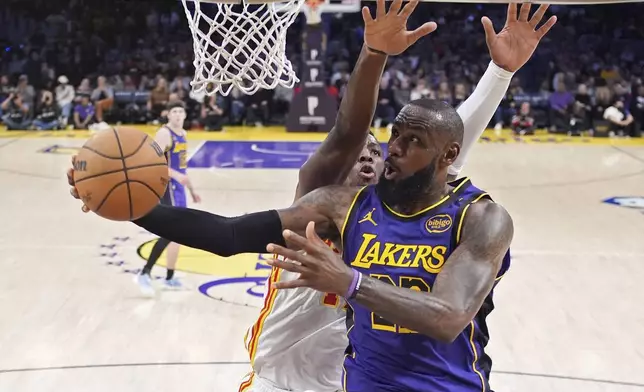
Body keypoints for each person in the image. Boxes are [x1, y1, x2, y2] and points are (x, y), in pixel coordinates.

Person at [67, 3, 555, 391]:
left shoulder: (442, 205)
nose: (376, 156)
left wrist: (498, 74)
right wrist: (130, 206)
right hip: (282, 378)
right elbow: (230, 230)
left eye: (379, 152)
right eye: (377, 146)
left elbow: (449, 142)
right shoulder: (327, 203)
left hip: (351, 379)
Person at [135, 101, 201, 295]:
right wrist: (176, 176)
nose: (178, 114)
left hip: (179, 187)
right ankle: (144, 272)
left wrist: (192, 190)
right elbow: (151, 160)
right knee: (171, 232)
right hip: (167, 186)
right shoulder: (165, 134)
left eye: (181, 111)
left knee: (177, 236)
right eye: (175, 111)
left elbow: (183, 168)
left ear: (185, 115)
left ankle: (170, 277)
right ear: (168, 115)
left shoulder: (184, 134)